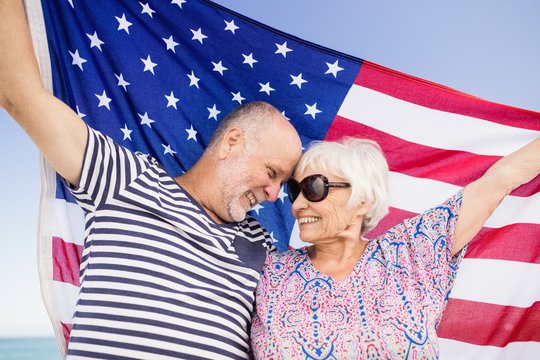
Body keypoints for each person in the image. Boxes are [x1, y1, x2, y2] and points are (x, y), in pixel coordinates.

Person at [0, 1, 302, 359]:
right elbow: (19, 94)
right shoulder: (127, 179)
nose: (273, 194)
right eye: (272, 173)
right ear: (232, 142)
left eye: (284, 184)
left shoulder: (265, 249)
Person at [251, 137, 540, 359]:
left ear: (363, 199)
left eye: (314, 188)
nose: (299, 205)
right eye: (295, 191)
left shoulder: (413, 253)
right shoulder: (268, 272)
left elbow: (502, 178)